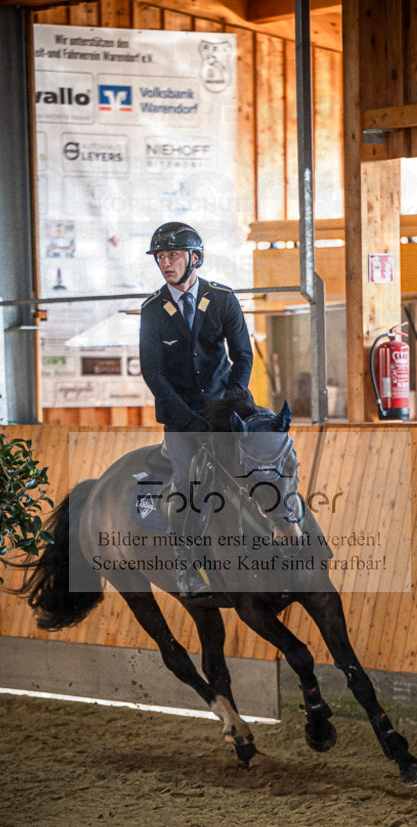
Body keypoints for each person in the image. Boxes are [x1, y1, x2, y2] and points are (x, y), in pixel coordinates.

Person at [139, 221, 253, 596]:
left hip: (225, 406)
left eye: (173, 255)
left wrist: (230, 401)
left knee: (265, 457)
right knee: (189, 483)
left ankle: (290, 531)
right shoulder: (153, 310)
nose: (166, 263)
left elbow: (242, 356)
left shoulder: (222, 299)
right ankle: (187, 563)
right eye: (161, 257)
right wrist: (187, 418)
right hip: (180, 414)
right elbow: (153, 373)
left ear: (194, 258)